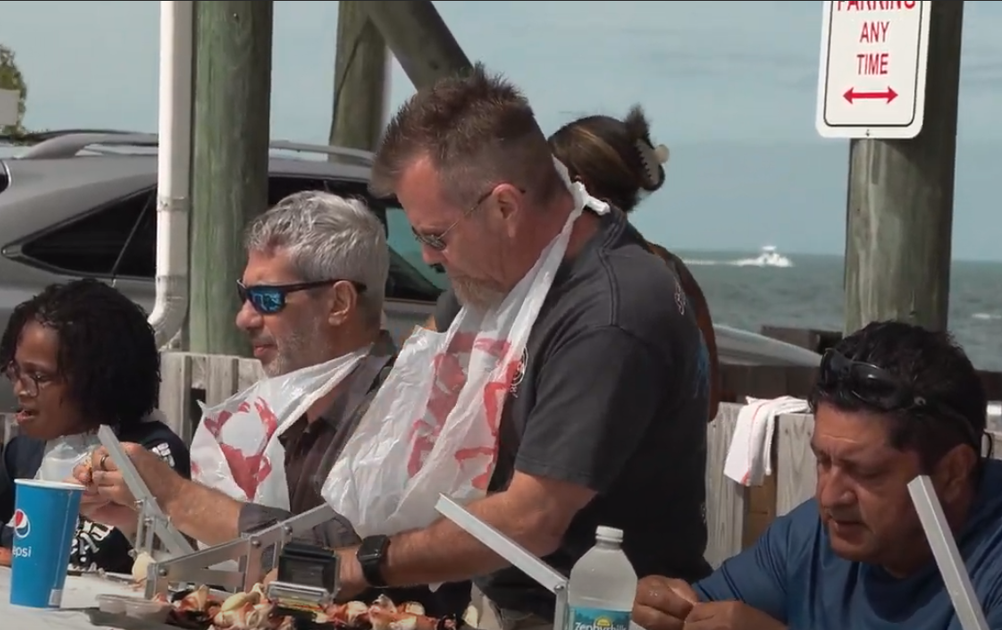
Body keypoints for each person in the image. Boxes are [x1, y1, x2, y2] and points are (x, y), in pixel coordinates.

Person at [331, 64, 711, 630]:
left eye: (436, 236)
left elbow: (533, 517)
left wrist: (369, 565)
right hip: (502, 601)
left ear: (505, 207)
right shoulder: (496, 283)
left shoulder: (610, 313)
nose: (429, 257)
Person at [75, 191, 472, 617]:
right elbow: (242, 568)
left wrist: (175, 496)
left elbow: (333, 560)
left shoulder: (408, 412)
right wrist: (142, 514)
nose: (243, 318)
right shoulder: (291, 407)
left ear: (339, 303)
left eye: (267, 299)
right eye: (244, 294)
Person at [633, 321, 1002, 630]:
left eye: (865, 472)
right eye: (823, 461)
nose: (829, 496)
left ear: (953, 472)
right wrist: (667, 609)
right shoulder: (809, 537)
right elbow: (703, 611)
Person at [428, 110, 721, 421]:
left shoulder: (547, 276)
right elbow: (708, 399)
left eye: (550, 179)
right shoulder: (671, 273)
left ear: (579, 186)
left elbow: (420, 360)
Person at [0, 278, 190, 573]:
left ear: (98, 380)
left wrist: (10, 541)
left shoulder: (149, 454)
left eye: (39, 377)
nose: (20, 389)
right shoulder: (25, 450)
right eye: (16, 371)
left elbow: (93, 557)